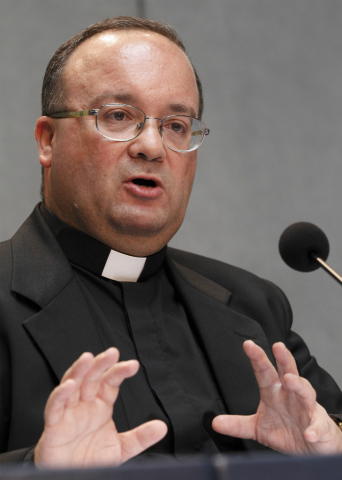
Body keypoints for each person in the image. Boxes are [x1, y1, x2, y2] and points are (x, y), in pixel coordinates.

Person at [1, 16, 342, 469]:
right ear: (48, 140)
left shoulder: (252, 305)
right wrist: (35, 469)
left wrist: (325, 458)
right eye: (118, 116)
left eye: (177, 125)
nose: (152, 146)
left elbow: (330, 426)